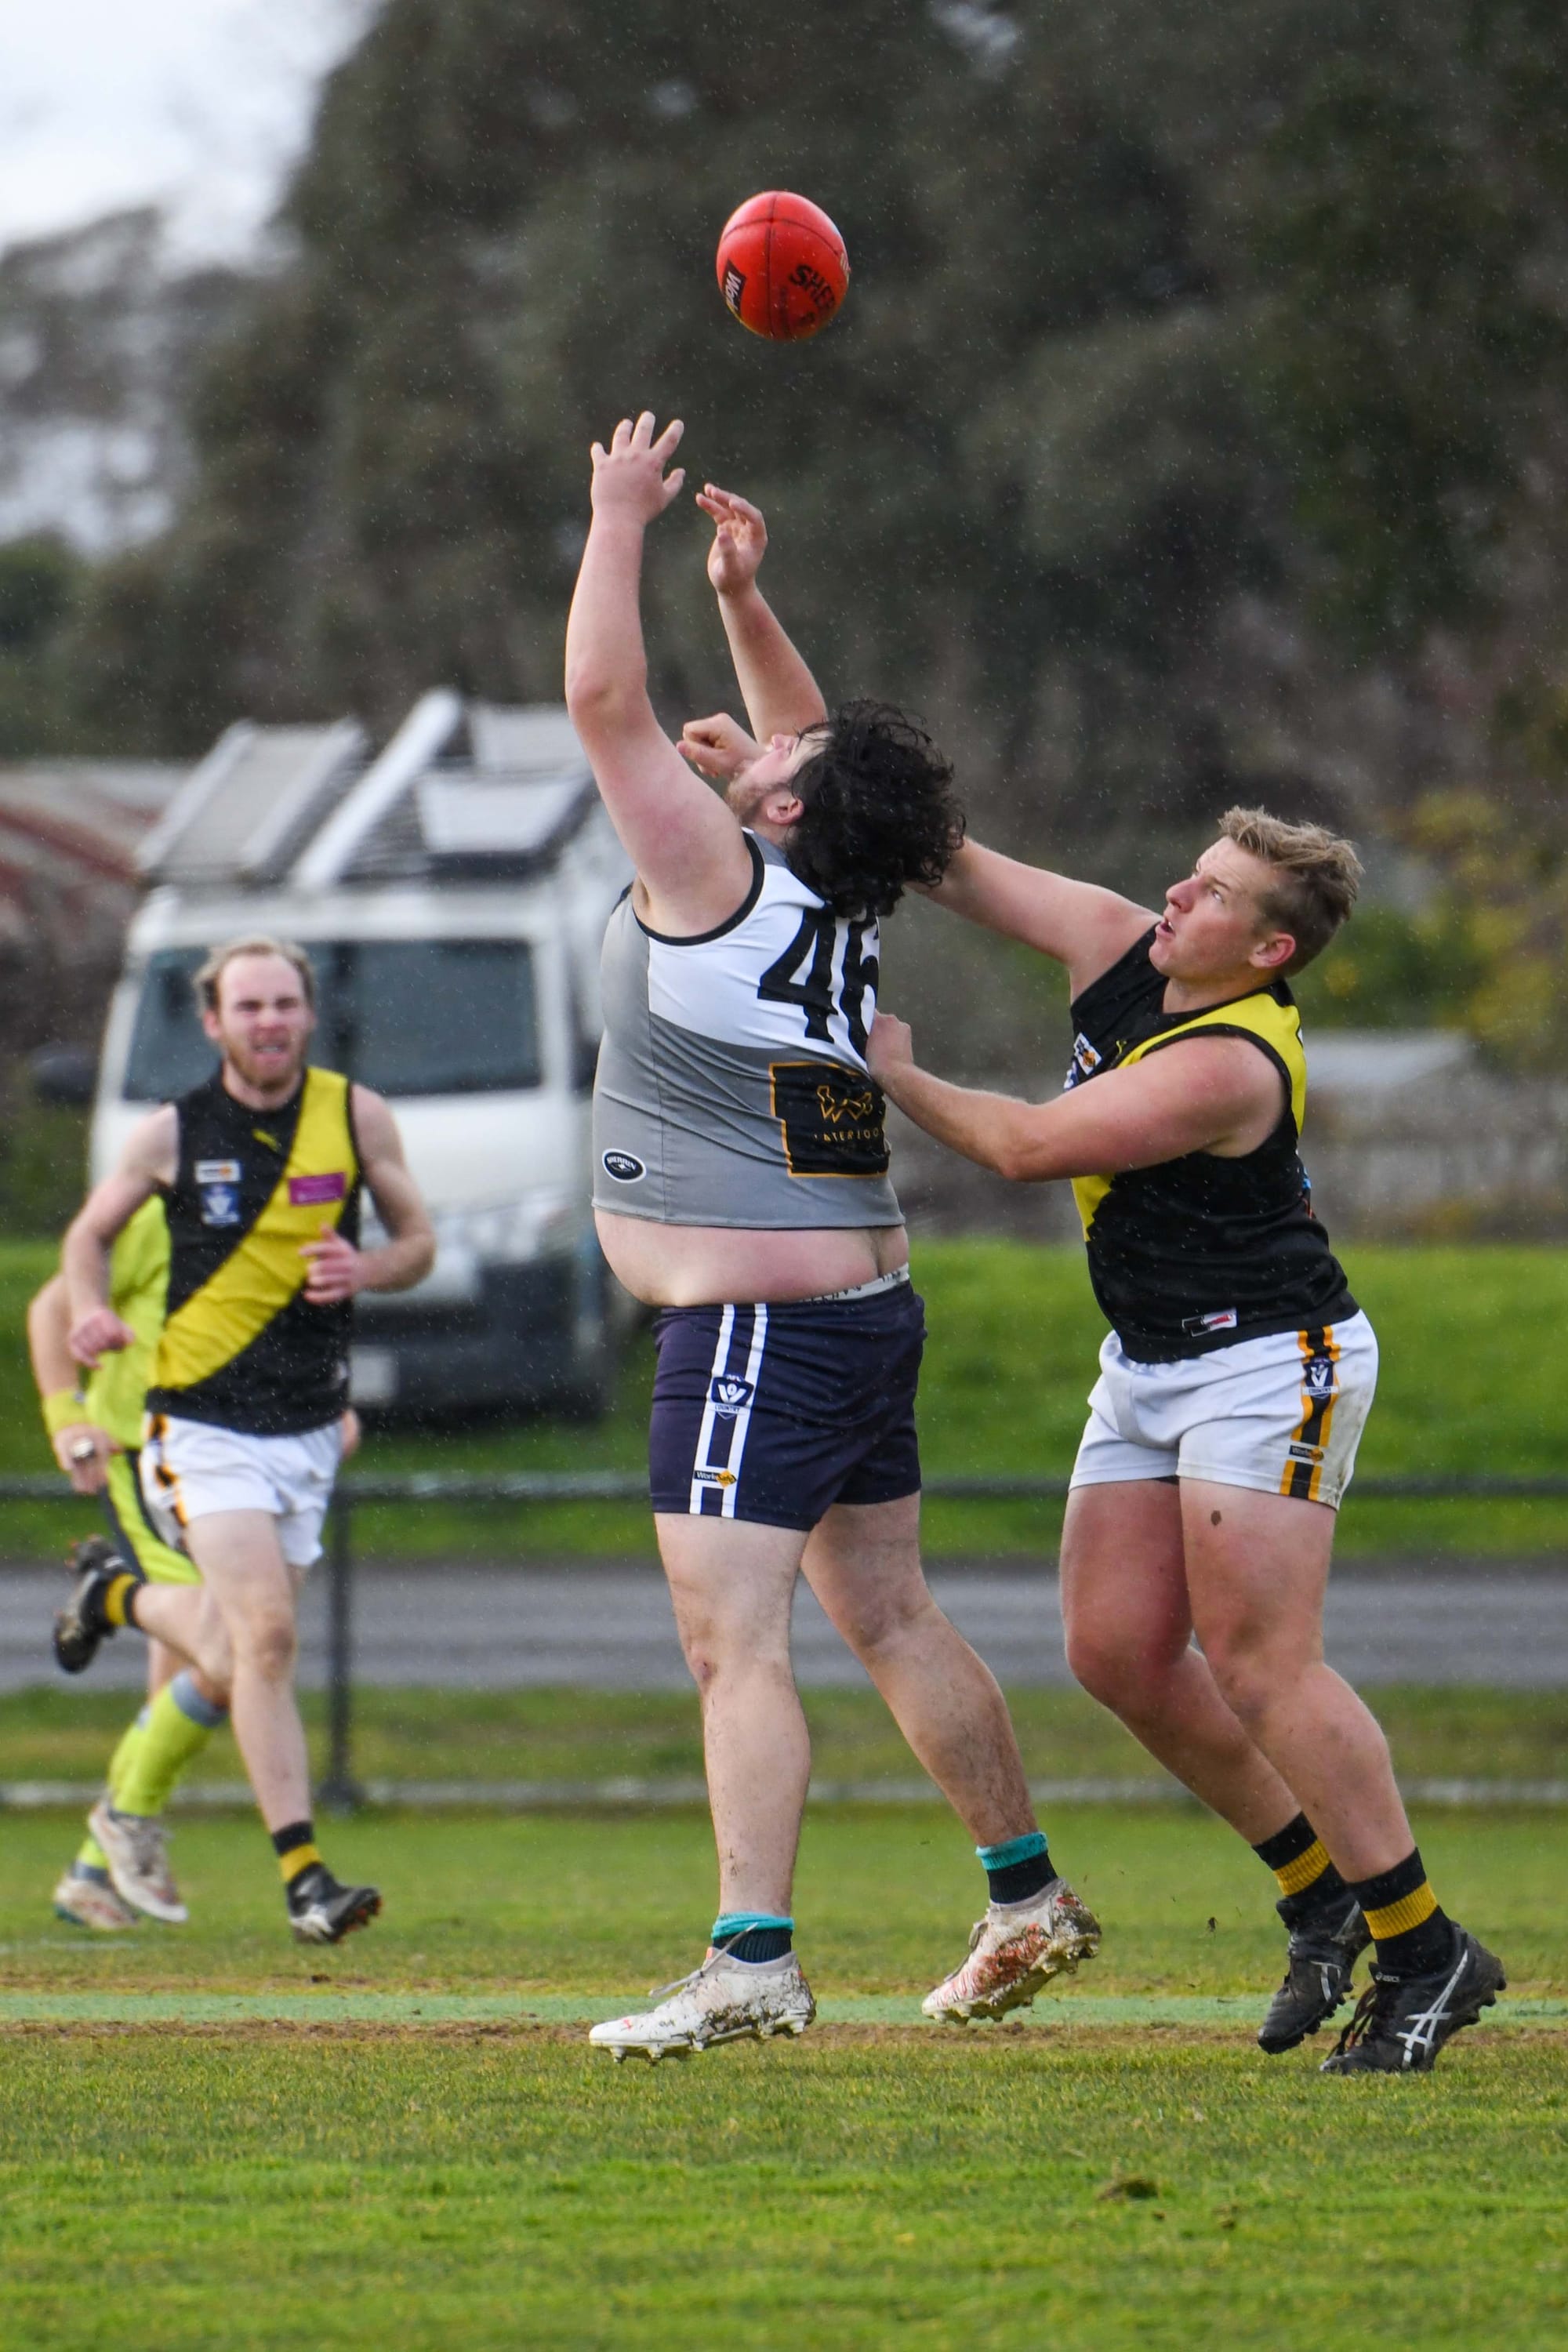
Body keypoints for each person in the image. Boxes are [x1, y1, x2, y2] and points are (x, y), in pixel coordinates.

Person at [564, 412, 1100, 2063]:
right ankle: (1023, 1900)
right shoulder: (838, 890)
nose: (762, 756)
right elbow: (817, 742)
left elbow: (602, 704)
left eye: (778, 772)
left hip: (752, 1329)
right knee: (891, 1614)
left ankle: (749, 1959)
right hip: (860, 1309)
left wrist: (615, 522)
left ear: (786, 811)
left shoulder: (720, 881)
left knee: (734, 1639)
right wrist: (741, 594)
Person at [865, 808, 1504, 2075]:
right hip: (1153, 1362)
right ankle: (1322, 1893)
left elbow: (1024, 1145)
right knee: (1116, 1653)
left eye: (1213, 896)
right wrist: (779, 720)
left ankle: (1425, 1948)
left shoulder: (1233, 1060)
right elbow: (927, 847)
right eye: (1193, 877)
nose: (1177, 896)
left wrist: (889, 1069)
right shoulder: (1119, 944)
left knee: (1264, 1663)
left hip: (1272, 1362)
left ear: (1268, 950)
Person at [55, 935, 434, 1944]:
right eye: (247, 1006)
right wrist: (90, 1311)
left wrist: (373, 1270)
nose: (268, 1021)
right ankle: (305, 1877)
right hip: (202, 1426)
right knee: (265, 1634)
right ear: (214, 1021)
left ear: (307, 1015)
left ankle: (117, 1598)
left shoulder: (353, 1115)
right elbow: (83, 1241)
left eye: (284, 1004)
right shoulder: (173, 1134)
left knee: (232, 1661)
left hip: (308, 1430)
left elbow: (418, 1243)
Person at [31, 1198, 228, 1928]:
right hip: (146, 1462)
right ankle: (108, 1596)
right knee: (222, 1652)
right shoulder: (161, 1215)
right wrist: (66, 1419)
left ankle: (92, 1868)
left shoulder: (289, 1217)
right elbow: (51, 1310)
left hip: (228, 1462)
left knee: (203, 1668)